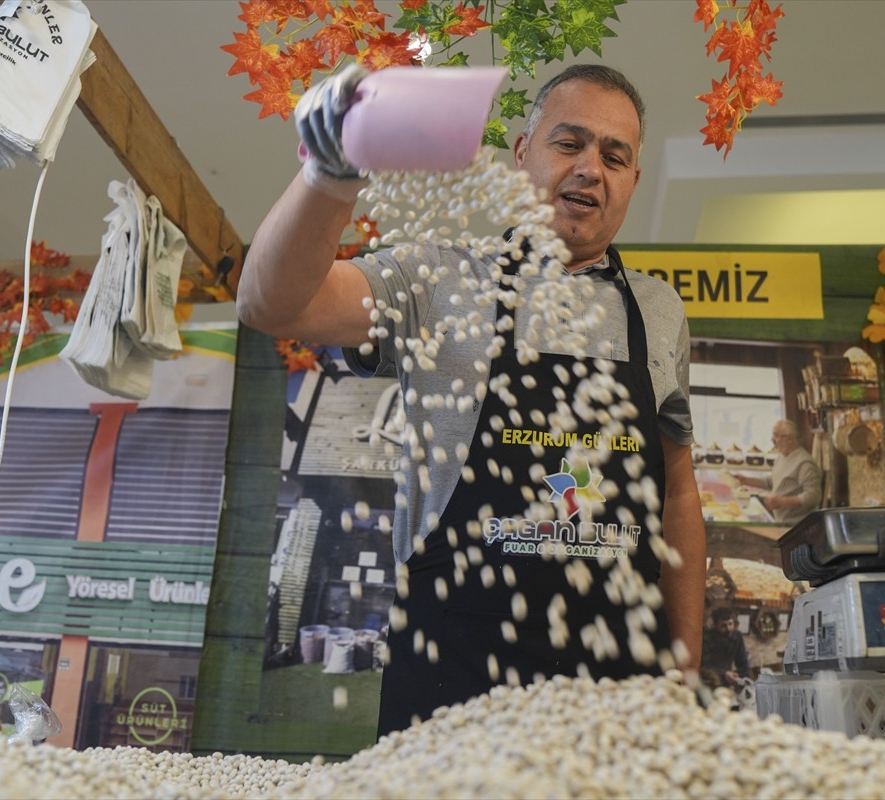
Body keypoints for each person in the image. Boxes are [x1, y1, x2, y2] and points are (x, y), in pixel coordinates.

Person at [237, 63, 707, 737]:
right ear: (522, 154)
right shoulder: (438, 278)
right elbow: (271, 302)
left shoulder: (658, 313)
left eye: (614, 155)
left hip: (614, 696)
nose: (590, 169)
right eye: (568, 143)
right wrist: (328, 176)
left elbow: (679, 494)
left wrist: (683, 675)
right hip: (451, 678)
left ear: (633, 179)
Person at [740, 419, 821, 525]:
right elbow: (773, 481)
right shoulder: (782, 457)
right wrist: (745, 480)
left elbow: (813, 496)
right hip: (782, 523)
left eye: (776, 436)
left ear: (789, 439)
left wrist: (782, 502)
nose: (772, 440)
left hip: (799, 526)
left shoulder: (804, 463)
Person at [700, 606, 749, 690]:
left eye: (730, 624)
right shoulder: (707, 638)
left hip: (728, 679)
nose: (728, 628)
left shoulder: (737, 636)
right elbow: (705, 665)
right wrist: (724, 674)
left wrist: (743, 677)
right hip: (709, 680)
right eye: (723, 625)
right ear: (715, 625)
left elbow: (742, 662)